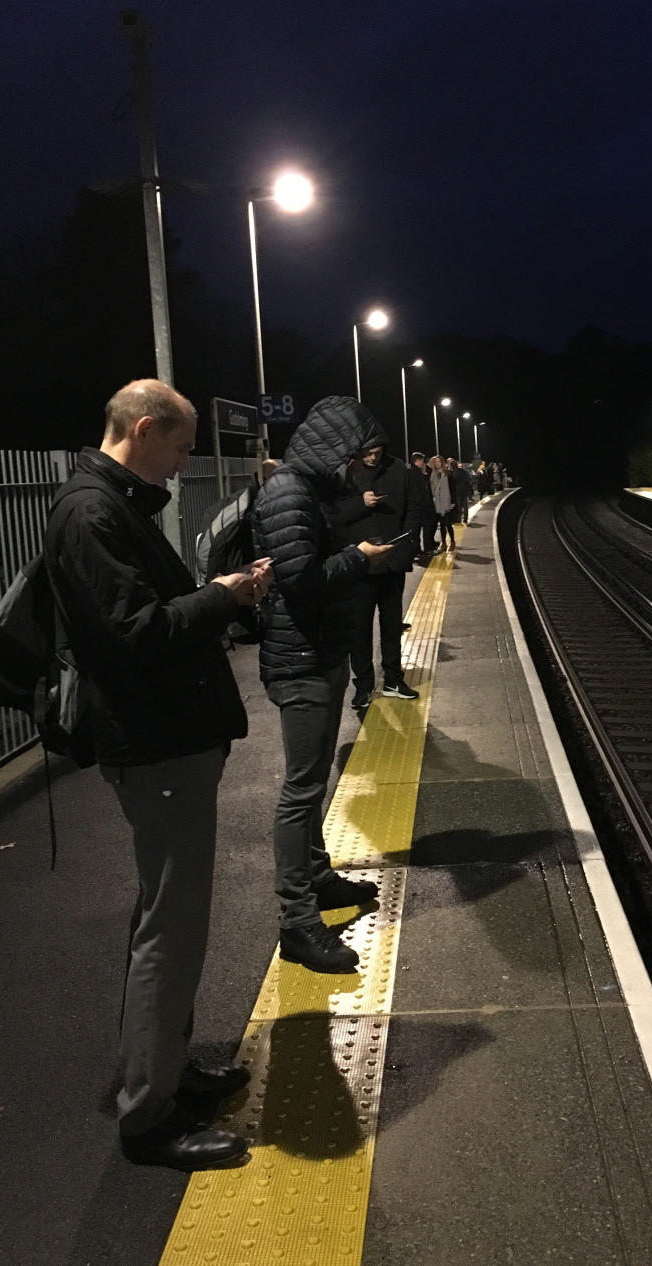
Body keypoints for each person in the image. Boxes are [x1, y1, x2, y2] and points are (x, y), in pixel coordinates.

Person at [43, 379, 272, 1171]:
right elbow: (132, 638)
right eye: (179, 448)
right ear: (143, 431)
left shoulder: (109, 505)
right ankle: (150, 1116)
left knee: (167, 920)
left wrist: (216, 598)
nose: (183, 466)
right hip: (157, 749)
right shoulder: (94, 513)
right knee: (169, 933)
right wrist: (222, 595)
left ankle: (168, 1074)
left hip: (169, 745)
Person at [254, 396, 395, 973]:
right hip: (301, 659)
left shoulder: (309, 491)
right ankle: (298, 922)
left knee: (310, 786)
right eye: (354, 457)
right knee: (301, 791)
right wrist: (358, 558)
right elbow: (303, 581)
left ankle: (317, 879)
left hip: (320, 652)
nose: (357, 469)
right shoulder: (288, 493)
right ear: (331, 449)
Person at [334, 439, 422, 709]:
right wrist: (361, 503)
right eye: (367, 453)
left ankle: (394, 678)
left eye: (377, 452)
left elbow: (413, 509)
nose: (372, 458)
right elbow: (334, 516)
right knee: (358, 628)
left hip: (392, 562)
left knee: (392, 624)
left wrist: (404, 547)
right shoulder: (345, 472)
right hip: (359, 564)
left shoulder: (400, 470)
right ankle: (363, 685)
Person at [408, 451, 437, 559]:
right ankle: (424, 550)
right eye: (422, 461)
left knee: (416, 532)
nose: (423, 463)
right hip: (421, 507)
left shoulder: (411, 472)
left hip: (415, 507)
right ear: (418, 460)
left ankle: (417, 551)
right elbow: (421, 490)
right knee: (425, 529)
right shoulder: (416, 474)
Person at [428, 454, 456, 550]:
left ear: (442, 462)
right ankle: (443, 542)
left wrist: (453, 502)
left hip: (447, 502)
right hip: (437, 504)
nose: (437, 464)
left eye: (438, 461)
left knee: (448, 523)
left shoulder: (448, 473)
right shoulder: (432, 474)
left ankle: (452, 541)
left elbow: (453, 488)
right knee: (442, 524)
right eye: (435, 462)